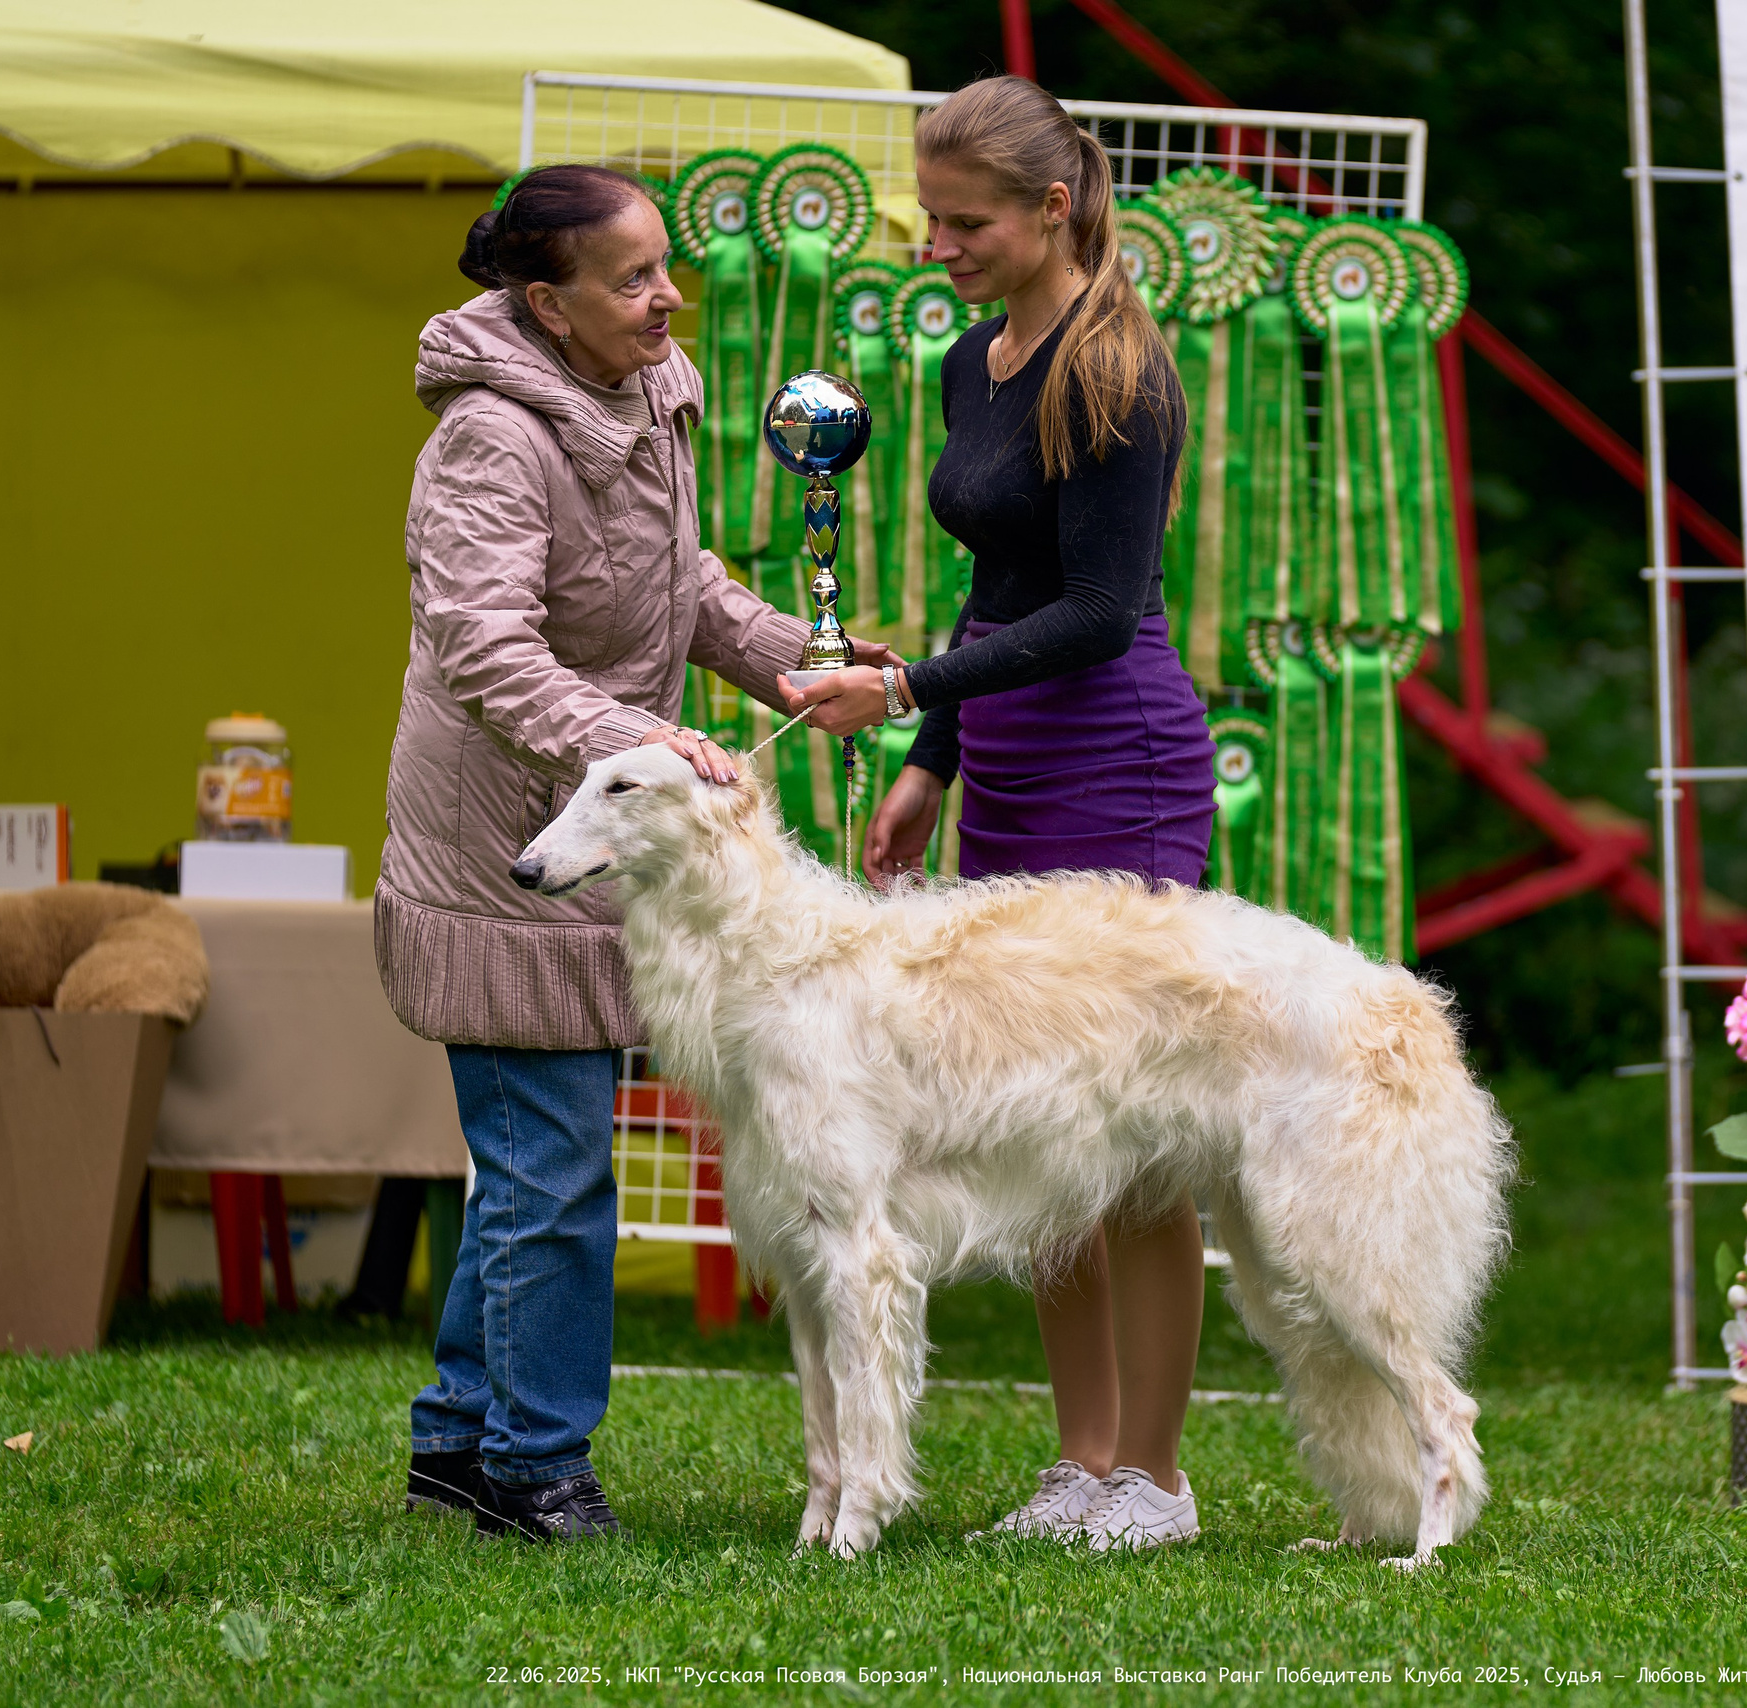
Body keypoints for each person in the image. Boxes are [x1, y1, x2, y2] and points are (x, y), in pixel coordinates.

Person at [377, 164, 902, 1540]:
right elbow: (485, 650)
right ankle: (535, 1471)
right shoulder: (491, 438)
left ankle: (457, 1444)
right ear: (547, 305)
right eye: (633, 280)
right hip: (510, 842)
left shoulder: (637, 391)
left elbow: (686, 586)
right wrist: (647, 748)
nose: (671, 296)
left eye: (665, 266)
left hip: (605, 818)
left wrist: (804, 660)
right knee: (553, 1167)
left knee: (535, 1158)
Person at [783, 76, 1216, 1551]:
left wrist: (903, 688)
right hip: (1017, 758)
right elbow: (999, 592)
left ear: (1051, 207)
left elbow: (1099, 612)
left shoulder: (1122, 375)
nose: (937, 242)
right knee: (1040, 1133)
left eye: (964, 221)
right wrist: (935, 756)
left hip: (1121, 759)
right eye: (928, 215)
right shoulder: (978, 359)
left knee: (1141, 1138)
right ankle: (1079, 1462)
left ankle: (1154, 1477)